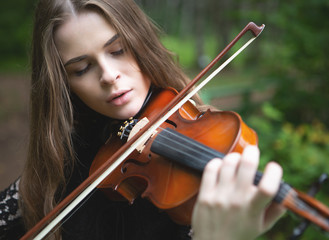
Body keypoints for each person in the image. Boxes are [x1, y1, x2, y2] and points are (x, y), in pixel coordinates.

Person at [0, 0, 285, 239]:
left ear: (141, 43)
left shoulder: (199, 134)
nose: (109, 76)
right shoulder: (60, 172)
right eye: (82, 68)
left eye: (118, 50)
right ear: (63, 84)